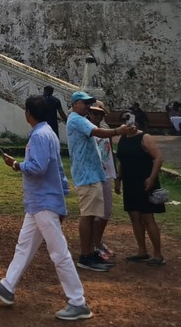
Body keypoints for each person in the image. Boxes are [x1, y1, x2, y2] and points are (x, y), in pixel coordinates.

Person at [0, 95, 92, 321]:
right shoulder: (47, 133)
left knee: (59, 252)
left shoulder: (40, 136)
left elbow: (38, 168)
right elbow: (57, 170)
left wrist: (15, 165)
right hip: (39, 202)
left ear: (27, 113)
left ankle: (78, 302)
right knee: (24, 246)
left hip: (43, 202)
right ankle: (8, 286)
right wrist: (61, 201)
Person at [66, 91, 135, 272]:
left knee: (92, 215)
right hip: (87, 175)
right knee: (88, 216)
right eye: (85, 103)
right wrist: (118, 131)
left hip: (93, 174)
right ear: (74, 104)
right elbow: (97, 132)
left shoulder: (81, 119)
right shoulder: (76, 119)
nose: (88, 107)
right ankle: (85, 255)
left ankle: (90, 252)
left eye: (90, 103)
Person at [116, 110, 167, 266]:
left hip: (145, 182)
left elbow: (158, 158)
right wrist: (118, 179)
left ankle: (158, 254)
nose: (127, 122)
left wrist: (152, 178)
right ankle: (142, 250)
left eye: (129, 119)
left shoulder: (144, 137)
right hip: (130, 182)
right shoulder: (123, 138)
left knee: (147, 217)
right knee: (134, 217)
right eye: (124, 120)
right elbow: (122, 160)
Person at [87, 100, 117, 261]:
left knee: (105, 213)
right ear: (89, 114)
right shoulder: (86, 131)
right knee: (94, 214)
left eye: (100, 113)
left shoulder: (105, 131)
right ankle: (92, 245)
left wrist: (116, 176)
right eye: (94, 113)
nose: (96, 115)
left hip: (105, 175)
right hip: (92, 177)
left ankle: (97, 242)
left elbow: (111, 153)